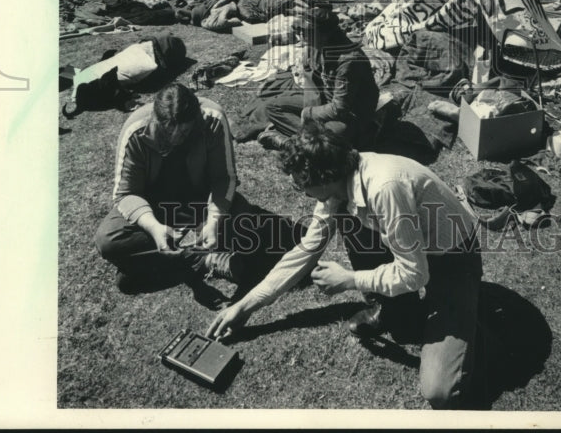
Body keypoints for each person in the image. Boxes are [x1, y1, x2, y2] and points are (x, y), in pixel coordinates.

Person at [206, 123, 483, 410]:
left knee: (439, 390)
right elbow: (303, 252)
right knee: (351, 223)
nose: (301, 192)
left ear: (324, 178)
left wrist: (351, 279)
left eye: (302, 184)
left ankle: (467, 317)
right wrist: (244, 307)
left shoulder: (383, 189)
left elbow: (415, 273)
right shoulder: (339, 182)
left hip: (453, 257)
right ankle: (395, 308)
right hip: (416, 248)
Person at [95, 82, 299, 293]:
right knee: (108, 241)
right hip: (154, 207)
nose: (174, 139)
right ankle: (206, 261)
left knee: (243, 217)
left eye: (183, 133)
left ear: (196, 120)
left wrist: (213, 221)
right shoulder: (135, 130)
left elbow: (224, 178)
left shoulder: (213, 118)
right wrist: (154, 227)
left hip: (199, 202)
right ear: (155, 119)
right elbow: (127, 194)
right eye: (166, 133)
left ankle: (169, 262)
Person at [258, 0, 379, 149]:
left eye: (307, 31)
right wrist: (310, 110)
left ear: (325, 34)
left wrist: (308, 113)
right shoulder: (315, 46)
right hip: (323, 103)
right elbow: (312, 84)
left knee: (334, 133)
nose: (301, 34)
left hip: (350, 115)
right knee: (273, 107)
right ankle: (308, 142)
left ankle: (295, 143)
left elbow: (340, 109)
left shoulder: (349, 60)